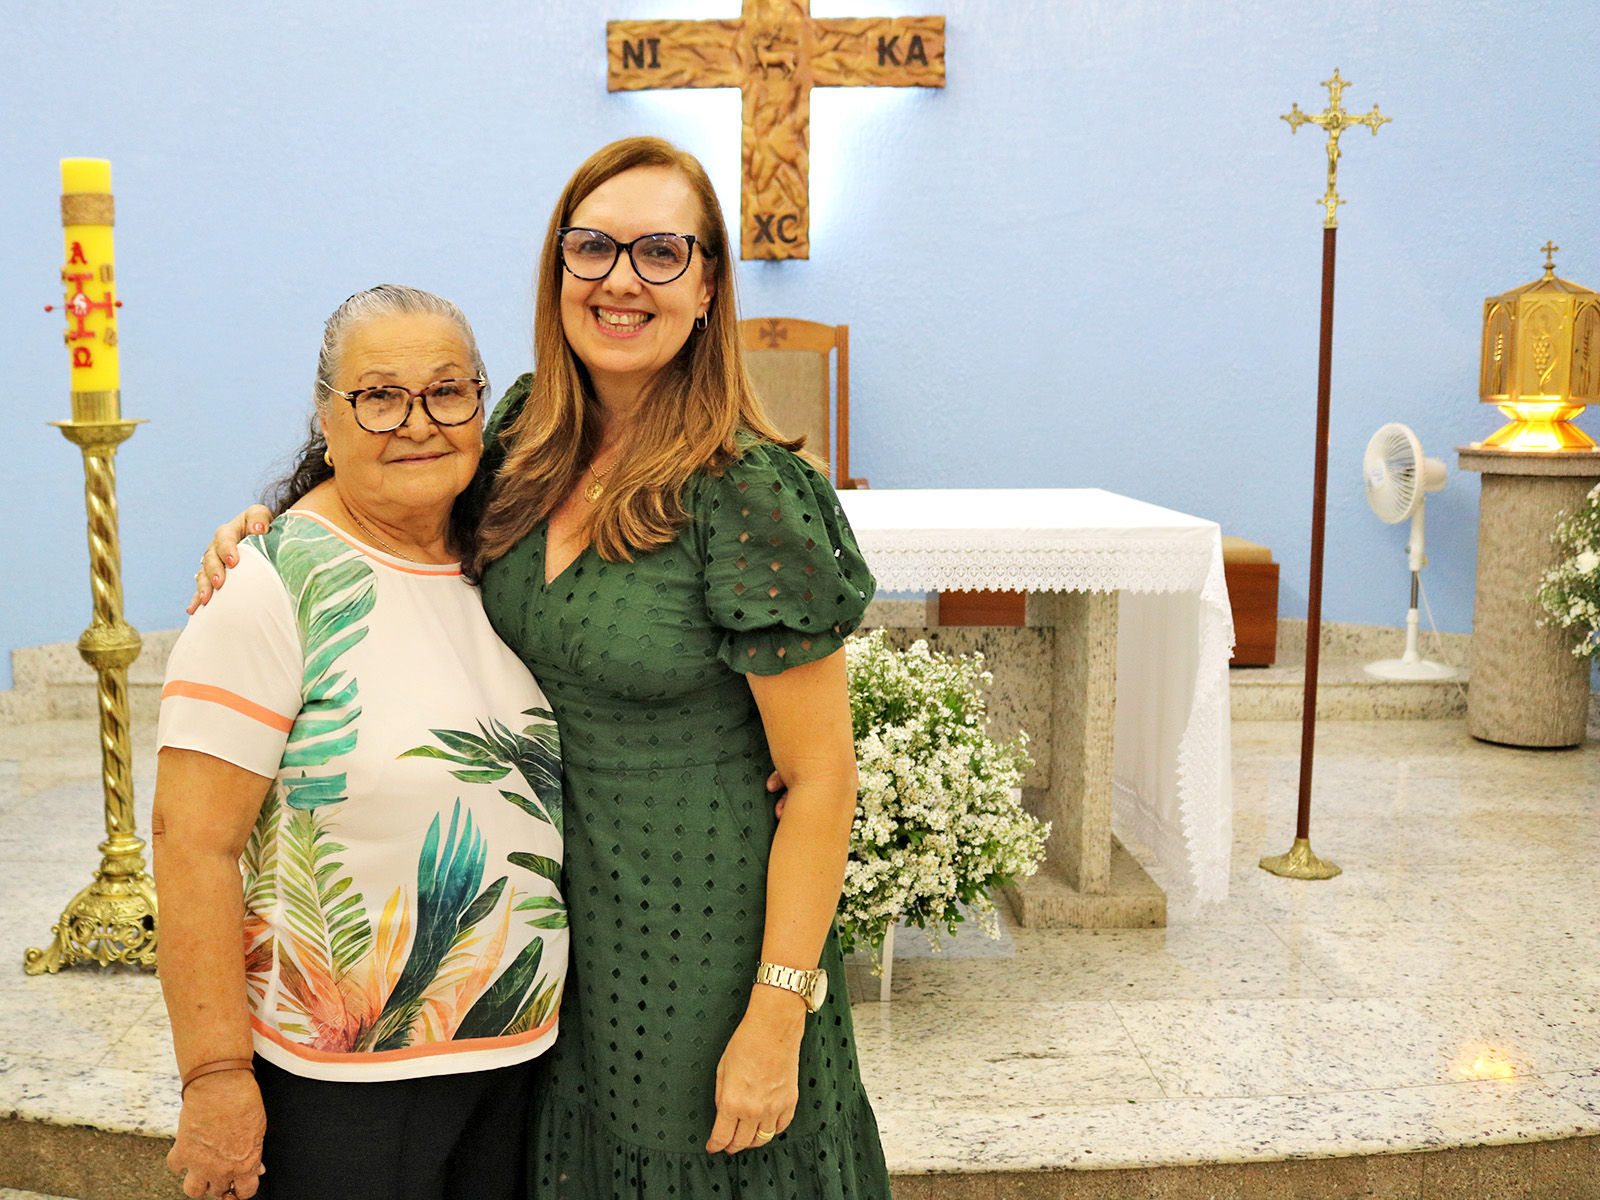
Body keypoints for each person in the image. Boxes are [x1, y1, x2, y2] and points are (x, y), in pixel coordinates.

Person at [196, 136, 890, 1199]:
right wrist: (273, 530)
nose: (622, 279)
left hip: (702, 935)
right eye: (593, 247)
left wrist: (778, 1007)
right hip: (552, 946)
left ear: (708, 286)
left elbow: (823, 777)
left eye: (661, 252)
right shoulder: (525, 435)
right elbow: (393, 488)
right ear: (558, 267)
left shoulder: (745, 492)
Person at [157, 286, 567, 1200]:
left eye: (447, 391)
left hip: (517, 1054)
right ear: (326, 417)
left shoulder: (506, 560)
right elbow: (192, 848)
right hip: (339, 1082)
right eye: (379, 396)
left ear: (481, 405)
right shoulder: (269, 586)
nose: (417, 422)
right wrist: (214, 1077)